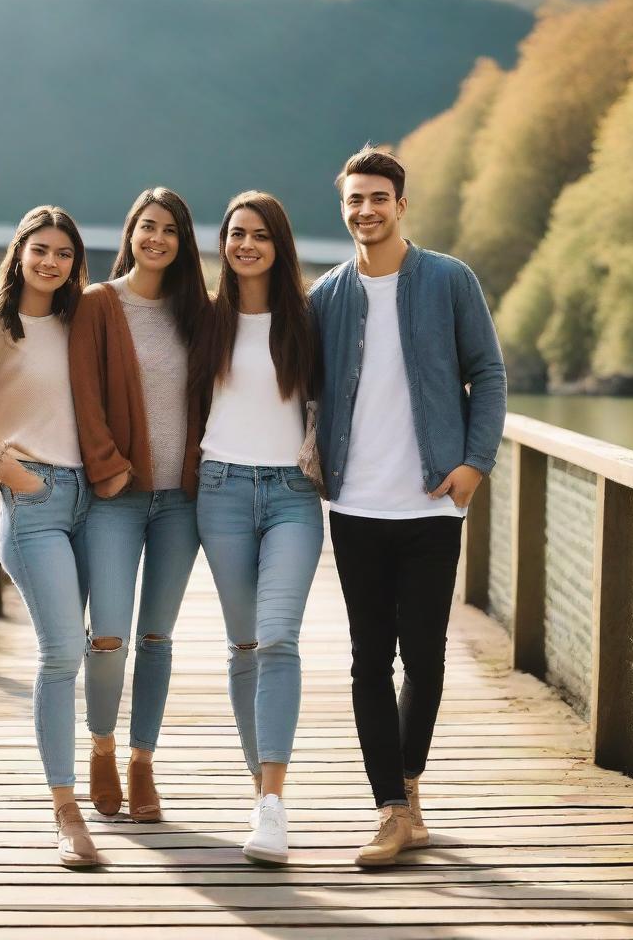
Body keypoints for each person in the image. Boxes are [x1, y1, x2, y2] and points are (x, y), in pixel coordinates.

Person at [309, 147, 506, 867]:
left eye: (378, 198)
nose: (366, 210)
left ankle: (410, 789)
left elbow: (486, 372)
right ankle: (391, 808)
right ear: (344, 207)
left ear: (401, 203)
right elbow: (296, 380)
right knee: (369, 660)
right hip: (356, 505)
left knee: (423, 656)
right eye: (354, 199)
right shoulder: (325, 295)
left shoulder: (449, 280)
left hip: (430, 505)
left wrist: (474, 464)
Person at [0, 204, 99, 868]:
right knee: (61, 653)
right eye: (41, 249)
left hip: (96, 500)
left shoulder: (83, 322)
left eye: (64, 253)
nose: (52, 262)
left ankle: (106, 771)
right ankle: (66, 811)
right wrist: (17, 476)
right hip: (35, 503)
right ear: (20, 253)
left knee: (96, 642)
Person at [69, 187, 209, 824]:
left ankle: (142, 760)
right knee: (108, 636)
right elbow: (84, 398)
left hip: (181, 499)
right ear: (131, 233)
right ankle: (100, 747)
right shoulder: (99, 304)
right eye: (148, 227)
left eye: (171, 231)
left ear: (183, 243)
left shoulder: (198, 312)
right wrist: (112, 470)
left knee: (157, 638)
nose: (158, 239)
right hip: (119, 499)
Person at [193, 190, 322, 865]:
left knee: (278, 639)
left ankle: (273, 804)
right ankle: (258, 793)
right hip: (220, 491)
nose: (246, 244)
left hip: (293, 494)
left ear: (280, 244)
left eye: (260, 235)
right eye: (236, 233)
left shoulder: (307, 319)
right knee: (244, 646)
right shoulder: (205, 321)